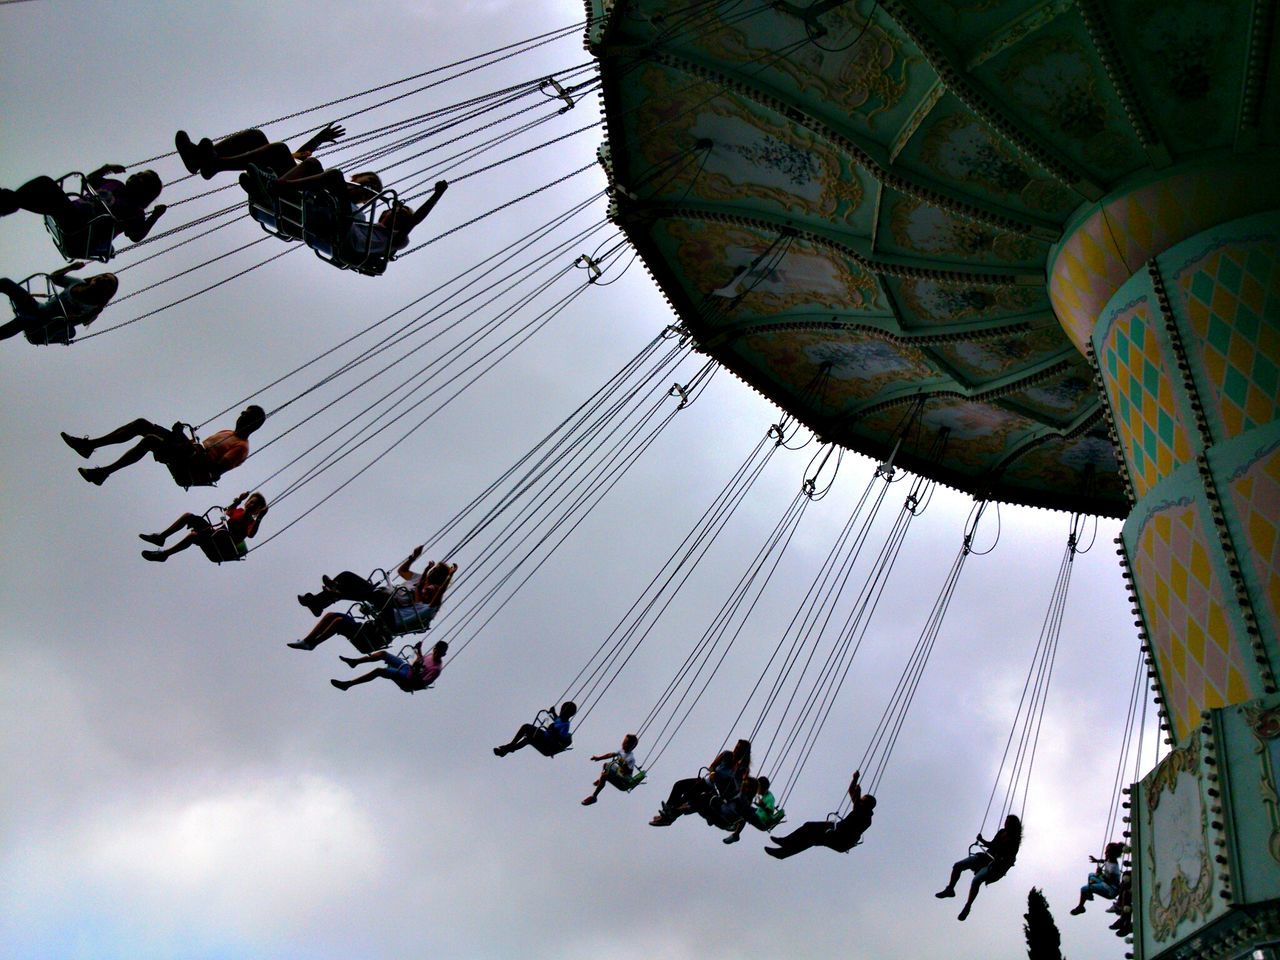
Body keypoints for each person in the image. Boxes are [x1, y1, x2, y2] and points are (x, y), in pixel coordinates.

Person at [61, 404, 266, 488]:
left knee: (151, 440)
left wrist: (184, 444)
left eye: (246, 415)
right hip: (188, 453)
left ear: (253, 424)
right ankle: (89, 446)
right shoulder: (227, 433)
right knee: (142, 424)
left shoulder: (241, 447)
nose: (241, 415)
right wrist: (180, 436)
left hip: (192, 468)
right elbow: (196, 446)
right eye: (242, 412)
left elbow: (215, 469)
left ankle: (103, 473)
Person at [288, 563, 455, 654]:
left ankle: (338, 593)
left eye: (431, 587)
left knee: (375, 597)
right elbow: (405, 573)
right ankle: (317, 605)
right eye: (428, 584)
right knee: (347, 577)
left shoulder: (427, 605)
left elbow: (431, 595)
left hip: (391, 609)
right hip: (383, 598)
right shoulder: (420, 583)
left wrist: (449, 576)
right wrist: (416, 560)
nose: (427, 588)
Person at [1, 165, 166, 256]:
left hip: (84, 233)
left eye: (142, 180)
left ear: (145, 193)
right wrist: (106, 168)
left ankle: (8, 201)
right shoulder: (116, 184)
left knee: (47, 191)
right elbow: (90, 180)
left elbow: (136, 235)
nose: (136, 177)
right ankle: (8, 201)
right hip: (72, 214)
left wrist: (155, 216)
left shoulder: (135, 211)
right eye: (138, 174)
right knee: (44, 185)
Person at [297, 545, 442, 616]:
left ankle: (330, 595)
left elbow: (419, 605)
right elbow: (402, 571)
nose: (431, 572)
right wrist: (413, 557)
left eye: (434, 572)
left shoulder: (431, 593)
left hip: (391, 603)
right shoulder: (418, 578)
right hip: (383, 592)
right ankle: (320, 601)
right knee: (346, 576)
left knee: (357, 591)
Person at [764, 770, 874, 858]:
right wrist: (855, 779)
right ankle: (784, 845)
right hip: (837, 833)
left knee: (811, 837)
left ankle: (783, 850)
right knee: (809, 827)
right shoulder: (861, 810)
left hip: (841, 839)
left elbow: (855, 818)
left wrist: (857, 790)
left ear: (866, 805)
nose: (859, 800)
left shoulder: (864, 817)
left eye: (862, 800)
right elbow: (852, 791)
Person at [0, 263, 118, 344]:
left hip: (45, 326)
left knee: (23, 321)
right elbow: (54, 277)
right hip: (38, 309)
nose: (103, 279)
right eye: (103, 276)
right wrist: (71, 267)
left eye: (108, 282)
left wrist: (83, 316)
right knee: (5, 283)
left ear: (107, 292)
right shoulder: (77, 283)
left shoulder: (93, 308)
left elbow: (79, 320)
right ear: (95, 277)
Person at [935, 814, 1023, 921]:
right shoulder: (1001, 832)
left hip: (994, 866)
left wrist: (1002, 859)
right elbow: (992, 845)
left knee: (976, 880)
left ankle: (967, 906)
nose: (1006, 823)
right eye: (1006, 821)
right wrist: (982, 840)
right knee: (958, 865)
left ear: (1013, 825)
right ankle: (950, 889)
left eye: (1009, 822)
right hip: (985, 857)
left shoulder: (1014, 840)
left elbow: (1010, 856)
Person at [139, 491, 268, 563]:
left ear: (257, 510)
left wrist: (260, 517)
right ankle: (161, 537)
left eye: (255, 505)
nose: (251, 504)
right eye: (250, 501)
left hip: (222, 545)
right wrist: (238, 500)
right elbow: (227, 511)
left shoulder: (251, 521)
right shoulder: (239, 510)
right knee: (188, 516)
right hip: (215, 534)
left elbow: (251, 535)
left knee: (193, 536)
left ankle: (165, 554)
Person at [650, 739, 751, 826]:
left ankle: (668, 817)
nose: (735, 750)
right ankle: (667, 810)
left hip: (714, 790)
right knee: (679, 785)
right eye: (736, 747)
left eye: (739, 749)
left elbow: (738, 785)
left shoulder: (741, 768)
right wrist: (712, 772)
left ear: (743, 752)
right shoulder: (726, 755)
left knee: (688, 799)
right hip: (706, 782)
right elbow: (712, 766)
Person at [341, 184, 447, 266]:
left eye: (404, 216)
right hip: (342, 230)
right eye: (398, 212)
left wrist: (437, 195)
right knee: (357, 214)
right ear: (384, 214)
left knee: (337, 181)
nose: (400, 216)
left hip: (348, 241)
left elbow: (414, 220)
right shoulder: (363, 224)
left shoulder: (396, 240)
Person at [332, 639, 446, 694]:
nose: (435, 653)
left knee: (379, 671)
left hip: (408, 679)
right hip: (408, 669)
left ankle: (348, 684)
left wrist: (415, 673)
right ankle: (355, 662)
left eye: (438, 653)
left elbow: (421, 684)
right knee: (383, 654)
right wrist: (418, 650)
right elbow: (420, 661)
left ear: (443, 654)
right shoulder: (431, 655)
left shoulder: (436, 669)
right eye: (435, 650)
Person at [493, 701, 577, 758]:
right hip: (544, 736)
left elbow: (561, 738)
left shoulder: (566, 725)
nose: (561, 712)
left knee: (528, 739)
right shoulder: (560, 718)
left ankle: (505, 750)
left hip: (548, 744)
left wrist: (554, 732)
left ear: (569, 715)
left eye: (563, 711)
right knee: (526, 727)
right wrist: (553, 712)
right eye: (561, 710)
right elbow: (557, 719)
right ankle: (511, 745)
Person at [582, 733, 641, 805]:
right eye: (623, 742)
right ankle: (601, 781)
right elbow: (610, 754)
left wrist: (623, 765)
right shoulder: (621, 750)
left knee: (605, 775)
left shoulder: (630, 758)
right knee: (606, 765)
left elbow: (627, 771)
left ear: (632, 747)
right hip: (619, 772)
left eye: (626, 744)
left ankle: (594, 797)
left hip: (624, 779)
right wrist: (598, 758)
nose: (623, 745)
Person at [1070, 841, 1124, 915]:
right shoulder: (1110, 859)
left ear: (1112, 854)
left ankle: (1081, 906)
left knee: (1084, 889)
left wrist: (1100, 873)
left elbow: (1109, 881)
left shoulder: (1113, 868)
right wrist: (1096, 860)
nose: (1105, 853)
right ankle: (1089, 893)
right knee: (1091, 875)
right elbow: (1104, 861)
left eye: (1107, 852)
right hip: (1106, 884)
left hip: (1110, 890)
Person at [723, 775, 779, 844]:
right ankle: (735, 831)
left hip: (761, 820)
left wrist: (763, 805)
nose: (757, 790)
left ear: (762, 787)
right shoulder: (765, 795)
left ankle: (734, 829)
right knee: (743, 807)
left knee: (744, 810)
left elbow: (770, 811)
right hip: (758, 814)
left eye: (758, 787)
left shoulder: (770, 798)